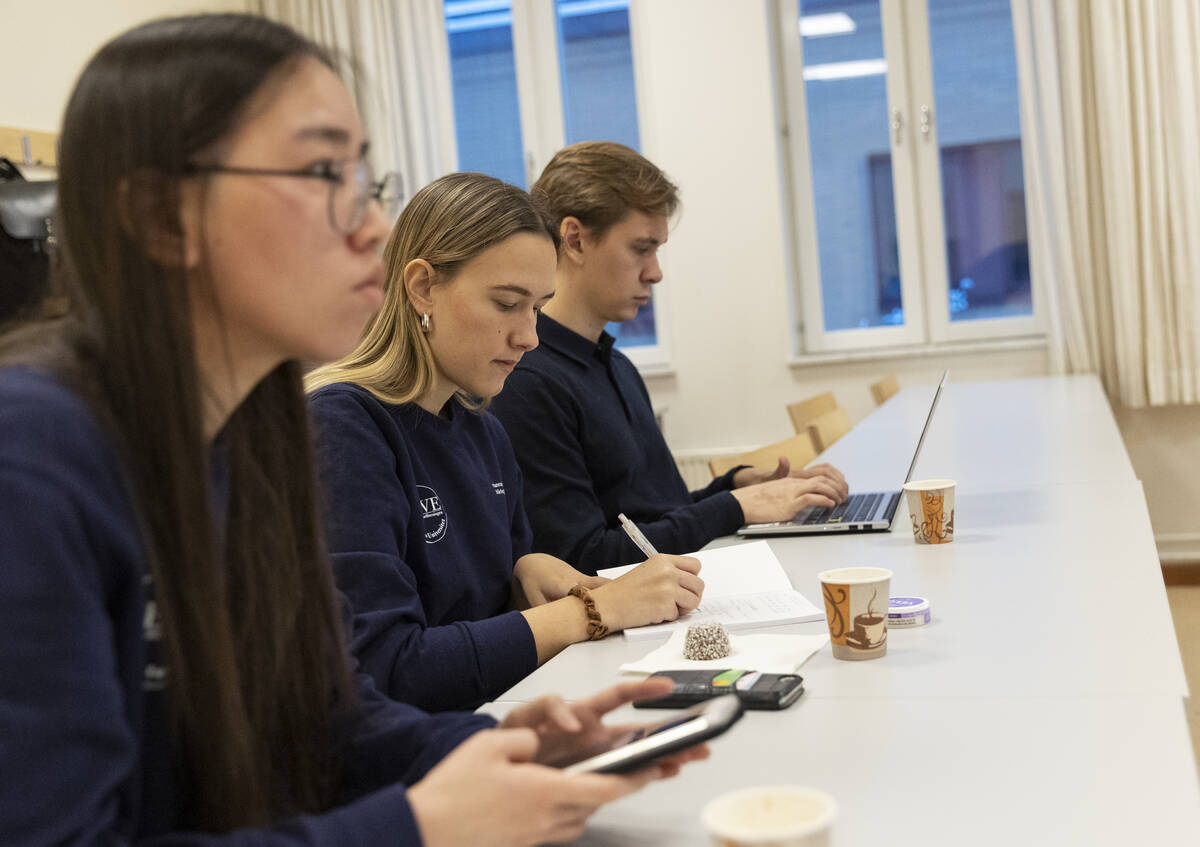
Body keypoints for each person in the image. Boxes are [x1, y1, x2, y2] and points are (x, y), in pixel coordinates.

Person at [0, 16, 705, 845]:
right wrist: (417, 823)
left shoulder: (255, 436)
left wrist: (503, 747)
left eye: (364, 177)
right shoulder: (35, 458)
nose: (372, 225)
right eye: (321, 172)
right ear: (163, 216)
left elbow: (331, 713)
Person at [305, 172, 705, 712]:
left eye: (537, 307)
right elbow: (389, 669)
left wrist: (523, 574)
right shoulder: (343, 427)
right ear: (423, 287)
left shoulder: (482, 429)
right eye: (506, 303)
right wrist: (595, 610)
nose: (530, 337)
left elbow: (478, 617)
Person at [490, 141, 851, 574]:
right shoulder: (529, 381)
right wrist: (732, 508)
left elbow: (653, 517)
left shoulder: (614, 365)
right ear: (575, 239)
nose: (655, 272)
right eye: (641, 249)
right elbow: (582, 559)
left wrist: (735, 489)